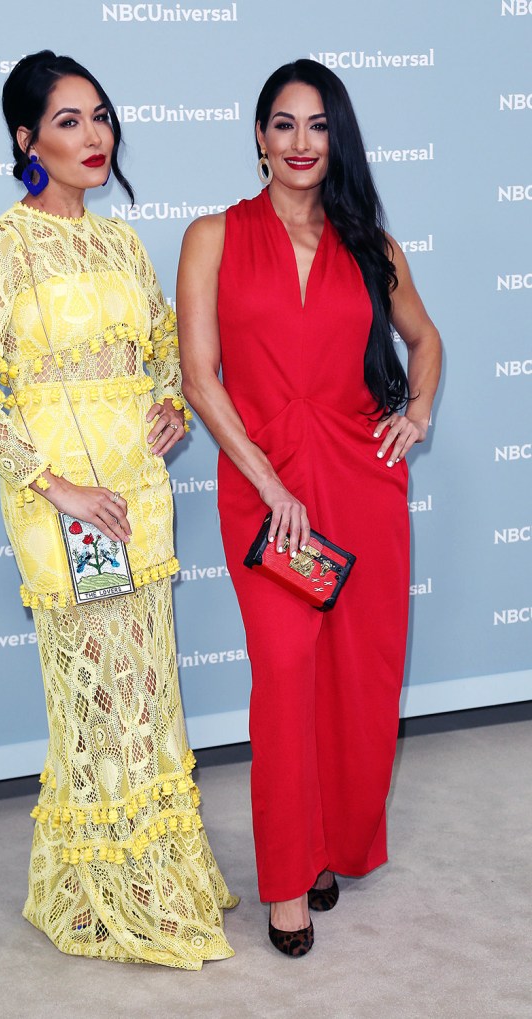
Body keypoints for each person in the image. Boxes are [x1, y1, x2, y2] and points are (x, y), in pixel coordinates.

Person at [0, 50, 236, 969]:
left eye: (100, 116)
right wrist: (57, 484)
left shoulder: (118, 240)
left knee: (148, 698)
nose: (94, 135)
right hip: (66, 508)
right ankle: (101, 892)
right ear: (26, 138)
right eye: (69, 120)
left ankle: (153, 873)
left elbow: (163, 351)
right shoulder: (0, 245)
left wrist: (173, 402)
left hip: (138, 495)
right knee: (93, 705)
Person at [177, 59, 442, 957]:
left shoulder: (373, 244)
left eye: (318, 125)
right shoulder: (211, 236)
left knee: (356, 682)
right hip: (266, 491)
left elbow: (425, 338)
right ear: (258, 137)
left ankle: (330, 848)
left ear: (337, 139)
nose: (300, 143)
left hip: (360, 484)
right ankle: (287, 881)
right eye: (283, 125)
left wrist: (418, 411)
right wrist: (269, 483)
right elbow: (200, 381)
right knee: (286, 677)